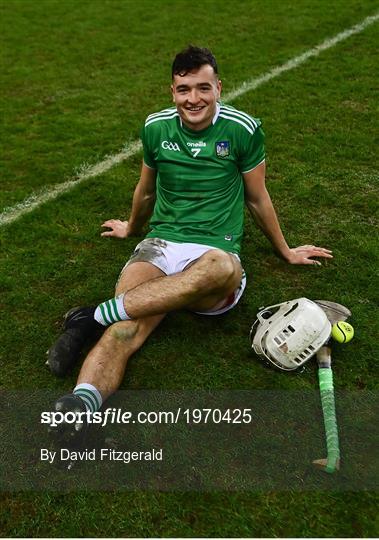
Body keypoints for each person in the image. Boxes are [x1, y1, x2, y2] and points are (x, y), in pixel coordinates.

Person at [48, 45, 332, 430]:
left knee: (219, 266)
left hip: (215, 251)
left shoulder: (242, 129)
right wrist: (132, 228)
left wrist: (286, 251)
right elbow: (145, 190)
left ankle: (91, 317)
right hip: (161, 243)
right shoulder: (155, 127)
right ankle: (80, 407)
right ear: (172, 91)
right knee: (124, 327)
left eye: (203, 88)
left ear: (218, 87)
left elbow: (257, 197)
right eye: (184, 89)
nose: (193, 98)